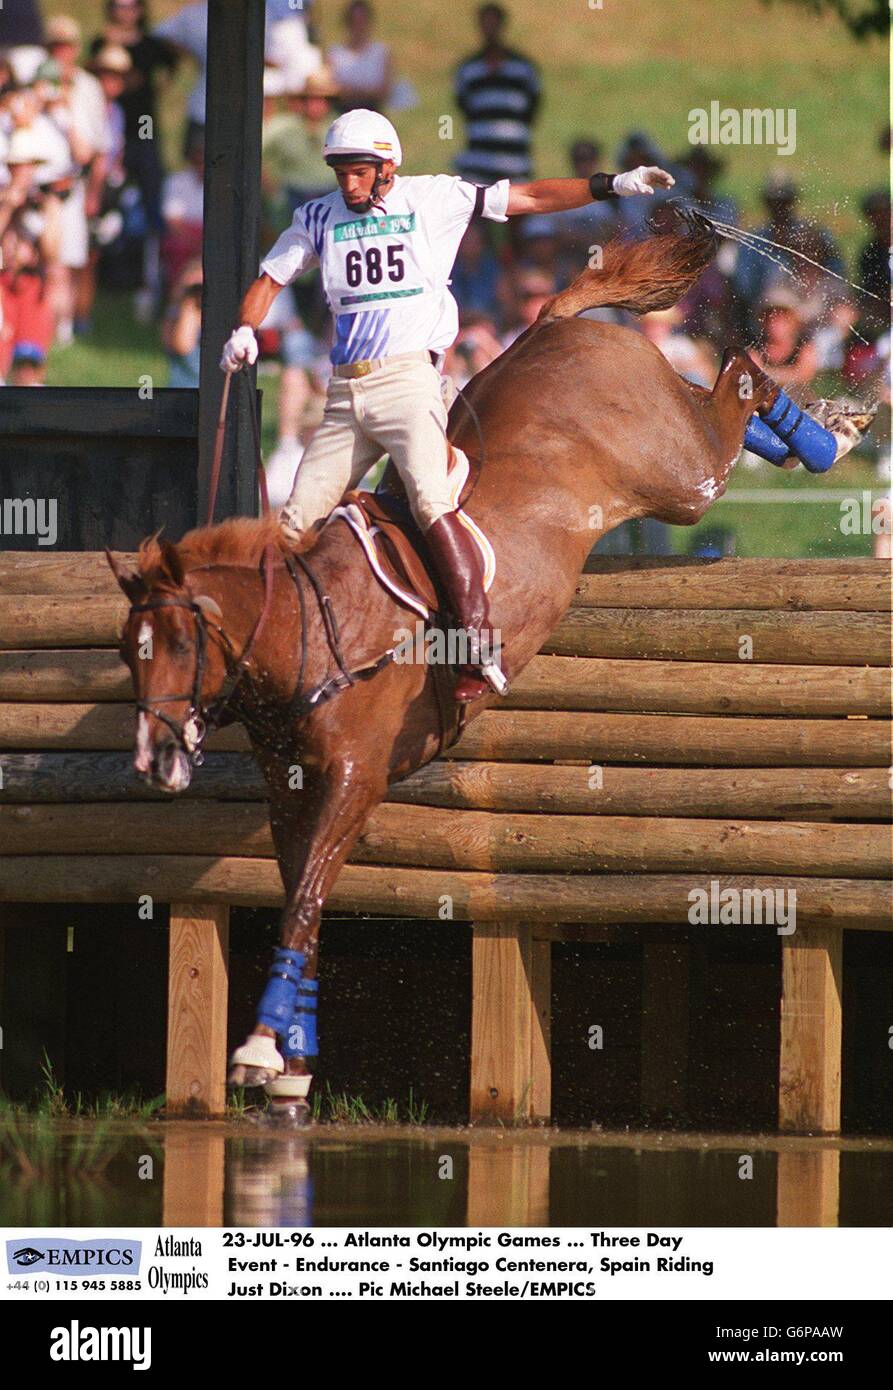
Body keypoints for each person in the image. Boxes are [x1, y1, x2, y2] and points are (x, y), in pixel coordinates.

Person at [220, 108, 676, 701]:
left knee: (432, 500)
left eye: (359, 172)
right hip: (343, 393)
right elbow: (269, 279)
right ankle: (276, 654)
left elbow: (529, 196)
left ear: (388, 167)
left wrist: (611, 184)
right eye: (340, 172)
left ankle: (478, 646)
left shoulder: (435, 198)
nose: (348, 184)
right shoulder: (315, 216)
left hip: (409, 383)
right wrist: (246, 329)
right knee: (293, 525)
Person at [453, 3, 540, 184]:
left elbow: (533, 107)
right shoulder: (469, 69)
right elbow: (463, 107)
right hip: (477, 161)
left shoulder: (523, 68)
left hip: (515, 160)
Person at [327, 0, 392, 113]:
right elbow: (330, 87)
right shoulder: (335, 53)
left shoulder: (380, 52)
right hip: (342, 111)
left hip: (373, 112)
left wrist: (351, 91)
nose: (358, 27)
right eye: (354, 22)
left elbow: (384, 91)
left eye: (362, 21)